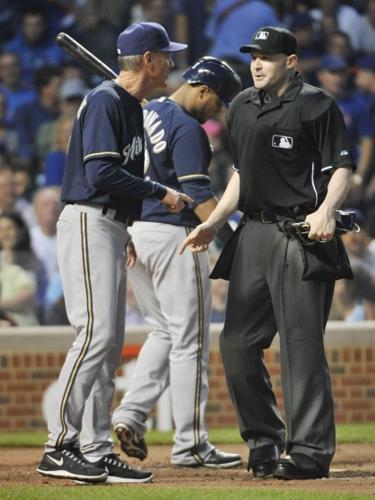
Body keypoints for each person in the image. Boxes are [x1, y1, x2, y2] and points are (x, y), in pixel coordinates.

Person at [180, 26, 355, 480]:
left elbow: (341, 168)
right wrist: (215, 221)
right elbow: (241, 173)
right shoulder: (239, 106)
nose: (258, 63)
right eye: (254, 56)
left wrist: (327, 211)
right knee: (236, 343)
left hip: (302, 233)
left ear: (291, 62)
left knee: (300, 348)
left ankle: (310, 453)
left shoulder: (316, 103)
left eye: (268, 57)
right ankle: (264, 440)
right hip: (252, 233)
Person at [36, 22, 190, 484]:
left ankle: (96, 448)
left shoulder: (128, 105)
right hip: (87, 217)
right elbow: (100, 171)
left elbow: (114, 176)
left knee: (105, 346)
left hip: (109, 223)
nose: (171, 62)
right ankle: (59, 444)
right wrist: (160, 192)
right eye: (165, 55)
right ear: (147, 60)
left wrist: (126, 225)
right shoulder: (106, 99)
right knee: (94, 336)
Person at [112, 56, 243, 468]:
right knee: (191, 342)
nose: (218, 111)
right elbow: (202, 200)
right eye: (219, 102)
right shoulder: (189, 128)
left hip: (136, 234)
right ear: (203, 90)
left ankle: (131, 413)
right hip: (177, 236)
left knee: (165, 331)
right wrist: (236, 244)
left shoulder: (144, 111)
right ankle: (191, 443)